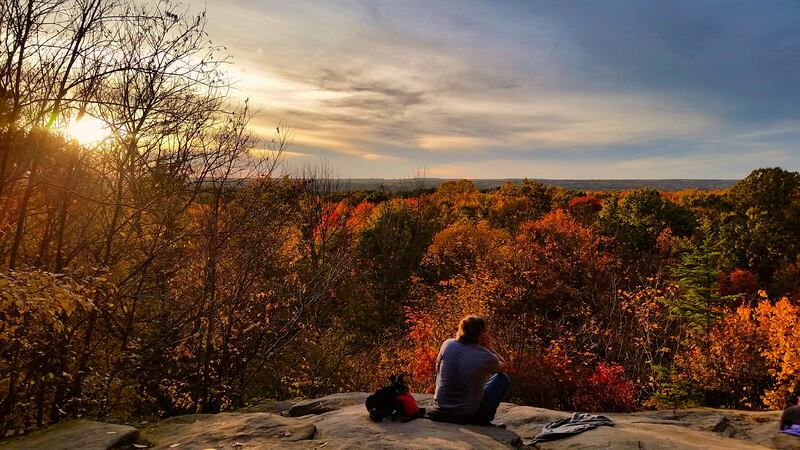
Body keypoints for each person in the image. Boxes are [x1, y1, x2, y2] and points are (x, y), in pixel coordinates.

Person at [429, 315, 510, 425]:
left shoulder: (448, 344)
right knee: (502, 378)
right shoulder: (485, 355)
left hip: (441, 408)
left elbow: (437, 368)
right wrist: (489, 347)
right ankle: (482, 419)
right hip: (467, 413)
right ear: (481, 334)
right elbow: (504, 366)